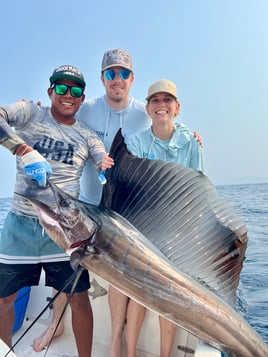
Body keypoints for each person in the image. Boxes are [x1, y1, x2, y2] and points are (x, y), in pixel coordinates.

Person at [33, 49, 203, 356]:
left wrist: (192, 135)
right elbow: (59, 115)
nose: (117, 80)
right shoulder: (86, 110)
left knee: (124, 276)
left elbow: (168, 126)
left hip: (124, 211)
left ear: (131, 79)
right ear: (102, 78)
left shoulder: (144, 111)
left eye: (123, 74)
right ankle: (55, 321)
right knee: (66, 265)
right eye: (111, 74)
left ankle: (119, 341)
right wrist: (34, 112)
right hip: (86, 203)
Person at [0, 64, 114, 357]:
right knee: (3, 300)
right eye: (61, 88)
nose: (68, 95)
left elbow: (101, 155)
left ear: (81, 97)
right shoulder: (29, 112)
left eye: (75, 91)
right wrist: (22, 150)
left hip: (64, 232)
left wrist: (104, 165)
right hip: (20, 226)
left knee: (78, 298)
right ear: (50, 91)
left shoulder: (87, 136)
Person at [124, 79, 204, 357]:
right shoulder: (135, 142)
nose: (161, 105)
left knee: (168, 295)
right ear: (147, 108)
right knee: (139, 294)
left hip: (177, 233)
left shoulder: (191, 142)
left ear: (177, 108)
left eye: (167, 100)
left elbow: (197, 189)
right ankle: (130, 353)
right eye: (155, 100)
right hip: (143, 229)